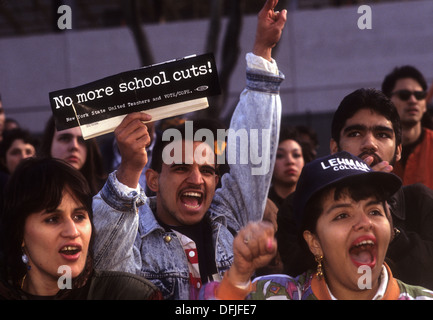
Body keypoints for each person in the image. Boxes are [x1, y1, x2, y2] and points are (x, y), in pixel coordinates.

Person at [92, 0, 286, 300]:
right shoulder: (135, 240)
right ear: (153, 180)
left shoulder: (231, 219)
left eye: (207, 170)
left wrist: (261, 51)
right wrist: (130, 168)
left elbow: (253, 156)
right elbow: (112, 272)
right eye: (181, 167)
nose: (197, 179)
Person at [202, 152, 433, 300]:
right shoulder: (270, 294)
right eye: (342, 215)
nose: (365, 223)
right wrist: (238, 276)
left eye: (374, 211)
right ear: (314, 243)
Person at [277, 88, 433, 290]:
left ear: (399, 150)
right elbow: (304, 280)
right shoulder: (300, 205)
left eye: (382, 134)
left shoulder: (420, 201)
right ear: (334, 148)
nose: (370, 144)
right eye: (355, 133)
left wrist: (391, 232)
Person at [0, 157, 161, 300]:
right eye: (52, 219)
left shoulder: (131, 294)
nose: (73, 232)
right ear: (19, 232)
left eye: (79, 217)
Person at [381, 66, 433, 190]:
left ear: (424, 105)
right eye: (404, 95)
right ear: (387, 102)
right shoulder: (375, 150)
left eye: (420, 95)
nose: (413, 100)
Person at [40, 116, 107, 195]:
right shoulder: (30, 190)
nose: (74, 146)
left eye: (81, 140)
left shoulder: (106, 194)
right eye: (65, 138)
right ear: (49, 143)